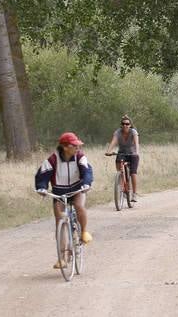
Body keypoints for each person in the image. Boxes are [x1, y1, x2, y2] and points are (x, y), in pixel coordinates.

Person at [35, 132, 93, 269]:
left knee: (79, 206)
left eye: (78, 145)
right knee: (59, 220)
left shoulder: (80, 157)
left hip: (77, 190)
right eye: (75, 145)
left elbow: (87, 172)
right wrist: (41, 188)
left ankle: (84, 231)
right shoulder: (52, 160)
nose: (78, 147)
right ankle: (61, 259)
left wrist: (86, 183)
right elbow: (42, 176)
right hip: (59, 193)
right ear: (65, 147)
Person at [104, 115, 140, 202]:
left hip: (133, 154)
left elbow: (136, 143)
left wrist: (137, 152)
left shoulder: (133, 132)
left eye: (127, 124)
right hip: (122, 153)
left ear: (130, 125)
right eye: (123, 124)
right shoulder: (118, 132)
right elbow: (113, 142)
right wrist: (108, 151)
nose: (125, 125)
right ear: (121, 125)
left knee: (133, 173)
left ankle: (134, 194)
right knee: (120, 171)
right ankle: (123, 187)